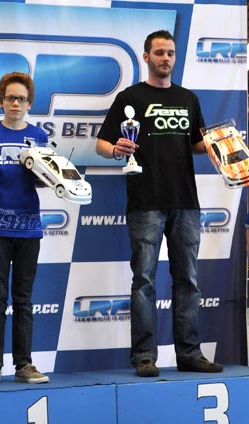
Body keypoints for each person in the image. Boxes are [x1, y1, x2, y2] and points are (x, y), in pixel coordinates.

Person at [95, 30, 223, 377]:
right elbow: (101, 145)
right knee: (144, 281)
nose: (166, 58)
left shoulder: (188, 98)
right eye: (159, 53)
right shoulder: (129, 97)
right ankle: (144, 356)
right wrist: (116, 149)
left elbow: (197, 143)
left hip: (185, 201)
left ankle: (189, 354)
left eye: (170, 53)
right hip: (145, 201)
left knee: (188, 280)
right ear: (146, 57)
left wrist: (219, 143)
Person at [0, 72, 50, 386]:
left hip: (28, 227)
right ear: (1, 101)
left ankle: (24, 364)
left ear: (30, 103)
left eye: (22, 99)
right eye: (10, 98)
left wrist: (50, 178)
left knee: (24, 299)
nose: (16, 103)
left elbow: (46, 177)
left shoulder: (38, 136)